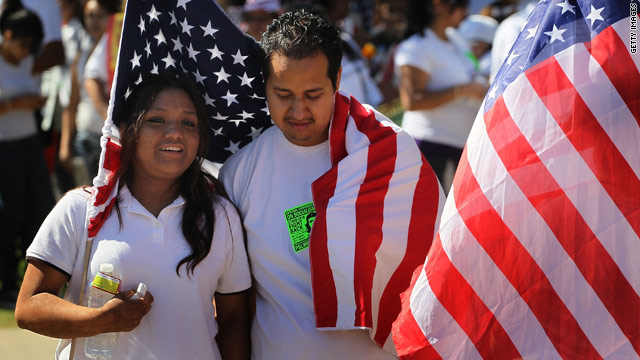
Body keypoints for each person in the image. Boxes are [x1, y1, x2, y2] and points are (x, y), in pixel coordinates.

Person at [220, 10, 443, 359]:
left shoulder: (389, 154)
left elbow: (435, 264)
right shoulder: (238, 173)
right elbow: (236, 296)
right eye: (283, 94)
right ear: (264, 83)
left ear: (337, 79)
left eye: (313, 94)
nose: (298, 110)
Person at [15, 73, 251, 360]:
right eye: (157, 120)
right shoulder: (82, 207)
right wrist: (99, 320)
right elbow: (28, 307)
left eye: (189, 123)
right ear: (127, 131)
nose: (175, 132)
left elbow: (235, 322)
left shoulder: (221, 216)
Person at [395, 0, 487, 193]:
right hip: (431, 149)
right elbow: (411, 101)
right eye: (461, 4)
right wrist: (462, 90)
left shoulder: (455, 39)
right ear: (438, 5)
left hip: (460, 147)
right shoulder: (416, 47)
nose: (466, 10)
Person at [0, 2, 55, 302]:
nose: (26, 52)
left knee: (41, 208)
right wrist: (15, 104)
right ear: (6, 35)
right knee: (10, 214)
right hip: (4, 146)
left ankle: (39, 278)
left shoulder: (30, 60)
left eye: (31, 46)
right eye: (23, 45)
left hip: (30, 142)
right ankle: (8, 282)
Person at [59, 0, 120, 184]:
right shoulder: (81, 56)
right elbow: (71, 104)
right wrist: (64, 146)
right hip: (85, 138)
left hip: (111, 138)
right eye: (89, 16)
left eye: (100, 16)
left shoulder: (120, 54)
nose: (93, 22)